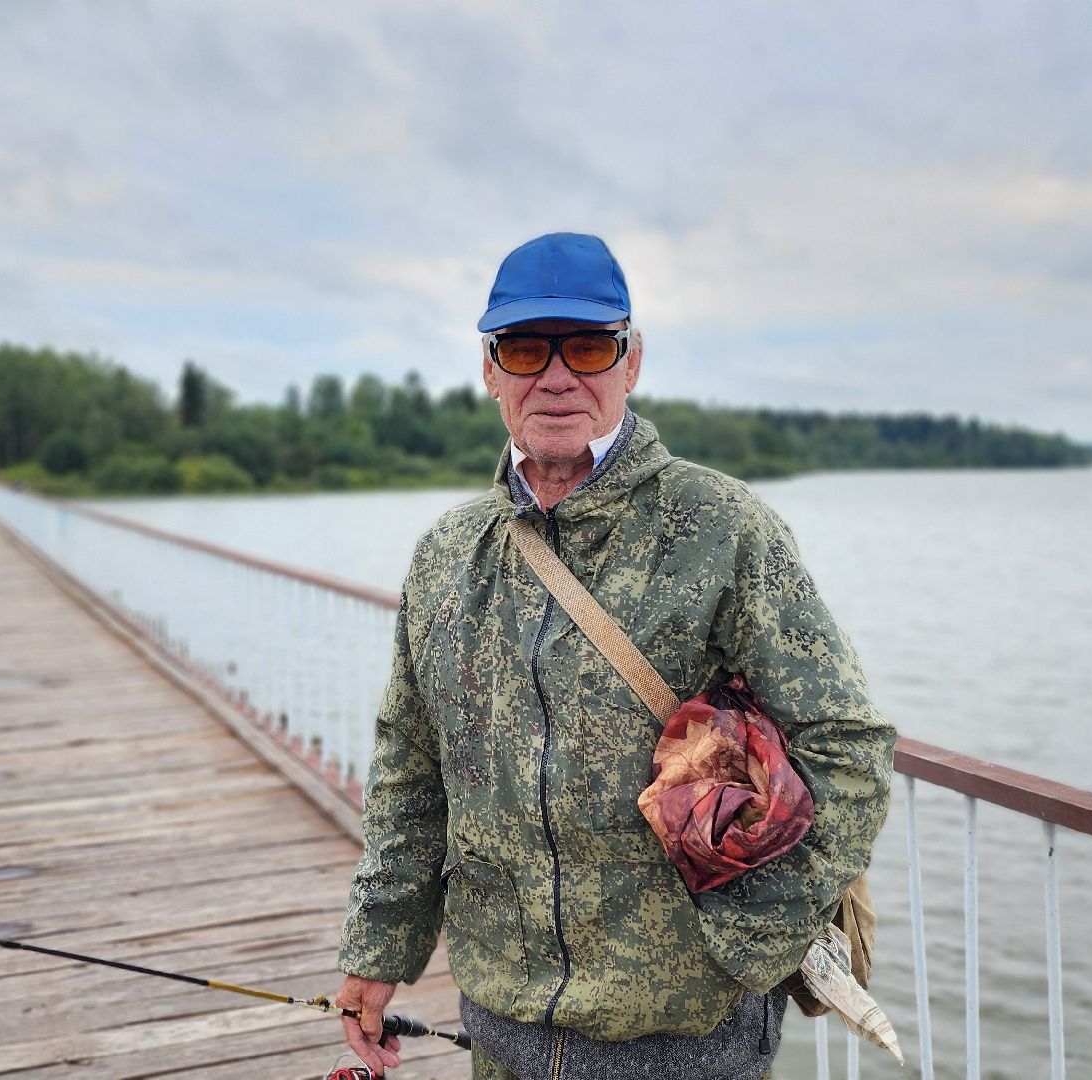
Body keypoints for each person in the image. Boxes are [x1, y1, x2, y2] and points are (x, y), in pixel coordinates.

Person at [335, 233, 895, 1079]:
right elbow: (411, 772)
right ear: (490, 370)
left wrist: (755, 933)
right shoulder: (447, 554)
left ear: (631, 363)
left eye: (589, 347)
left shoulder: (723, 528)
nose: (558, 376)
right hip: (504, 1034)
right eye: (527, 348)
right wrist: (379, 952)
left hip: (688, 1047)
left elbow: (847, 745)